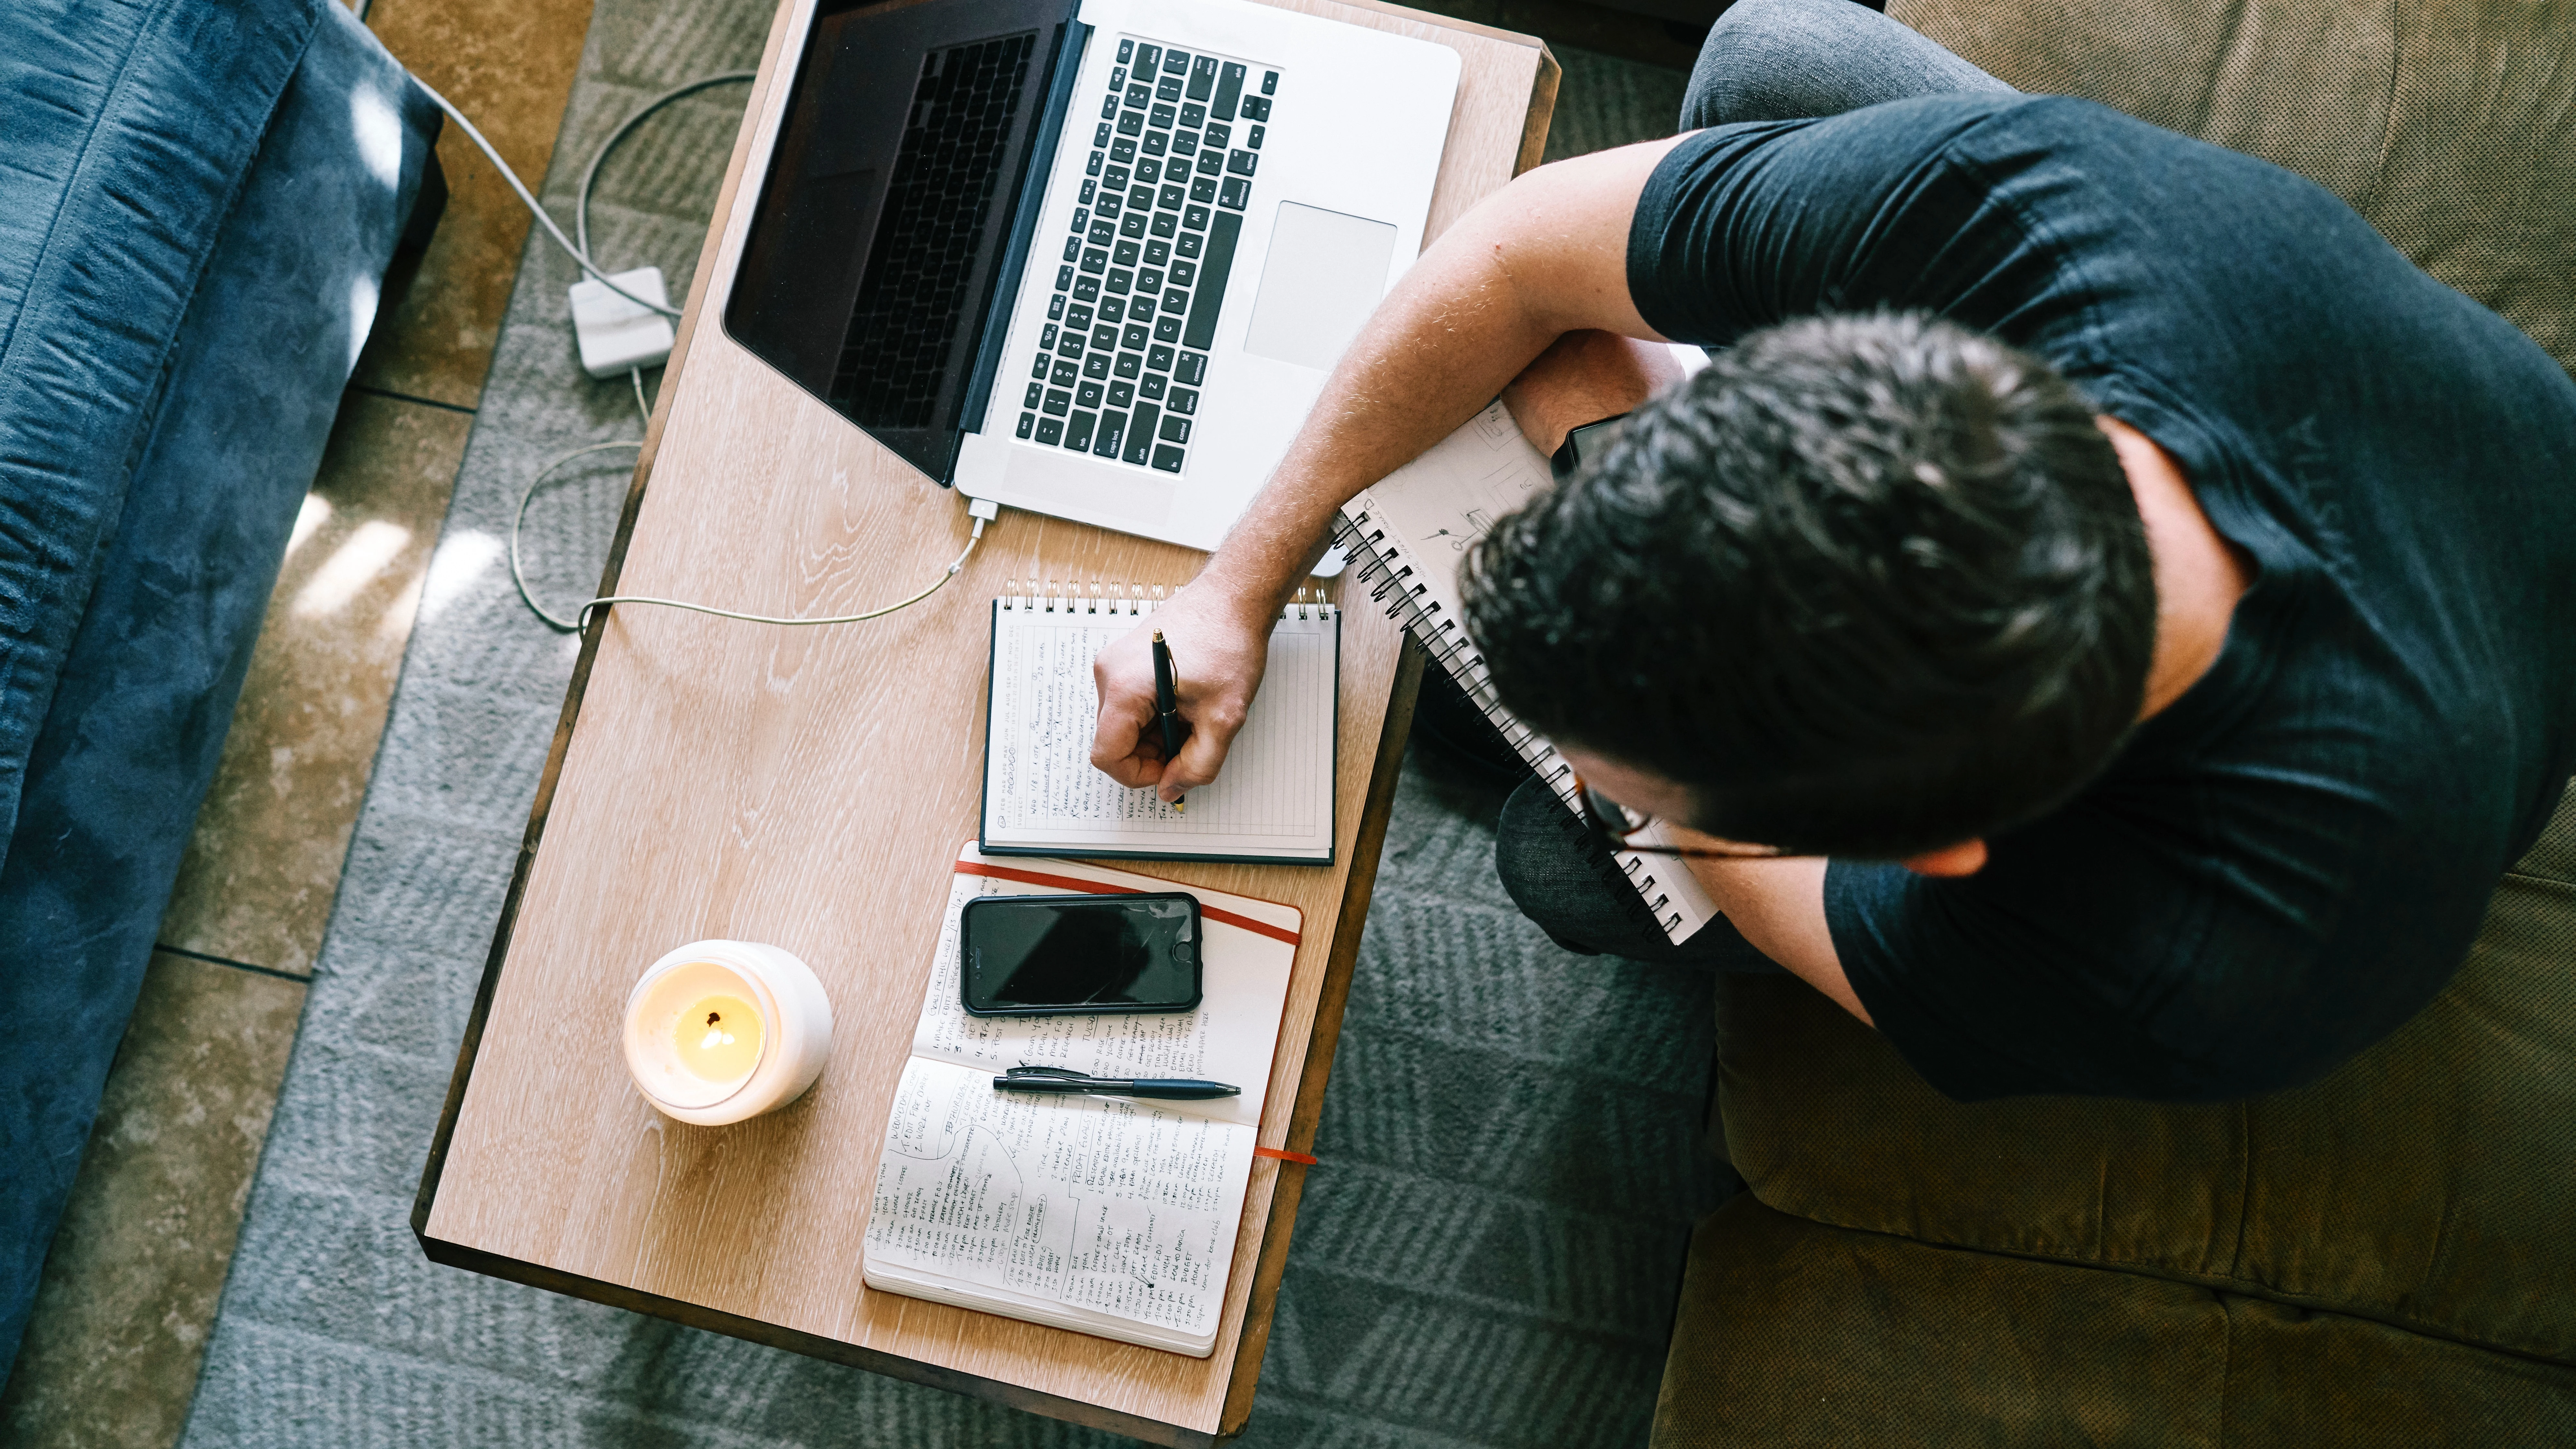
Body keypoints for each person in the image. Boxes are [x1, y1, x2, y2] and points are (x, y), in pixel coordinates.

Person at [1087, 0, 2576, 1101]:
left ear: (1930, 851)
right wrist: (1237, 582)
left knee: (1563, 860)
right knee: (1769, 58)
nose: (1605, 775)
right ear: (1871, 356)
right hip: (2453, 460)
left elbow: (1794, 904)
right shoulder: (2035, 215)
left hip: (2463, 745)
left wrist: (1586, 412)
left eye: (1650, 785)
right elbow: (1517, 251)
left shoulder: (2190, 959)